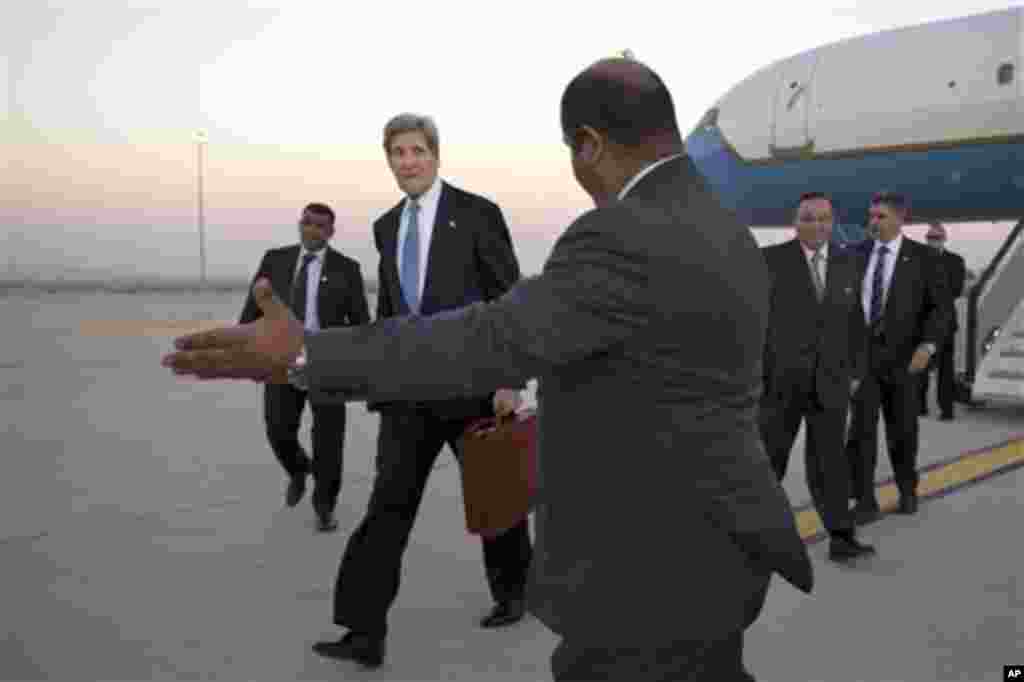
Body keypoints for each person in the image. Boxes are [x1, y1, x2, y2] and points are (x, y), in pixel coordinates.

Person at [163, 58, 814, 681]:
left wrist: (311, 353)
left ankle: (509, 590)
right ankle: (365, 624)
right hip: (722, 545)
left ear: (587, 145)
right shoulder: (724, 229)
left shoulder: (621, 231)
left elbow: (497, 331)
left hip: (642, 567)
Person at [318, 113, 532, 667]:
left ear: (436, 156)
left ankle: (514, 590)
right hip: (410, 393)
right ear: (388, 160)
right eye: (398, 153)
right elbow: (391, 309)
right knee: (387, 507)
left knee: (495, 497)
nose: (408, 162)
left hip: (472, 387)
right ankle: (363, 629)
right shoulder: (387, 226)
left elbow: (509, 299)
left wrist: (510, 378)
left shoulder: (477, 214)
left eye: (417, 151)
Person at [238, 202, 371, 532]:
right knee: (278, 430)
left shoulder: (347, 269)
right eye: (307, 223)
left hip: (328, 362)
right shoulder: (275, 260)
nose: (312, 230)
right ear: (300, 224)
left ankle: (324, 507)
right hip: (282, 359)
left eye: (320, 226)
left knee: (329, 439)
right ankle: (298, 469)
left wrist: (361, 367)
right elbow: (254, 306)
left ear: (331, 232)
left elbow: (361, 324)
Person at [759, 192, 874, 561]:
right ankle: (752, 535)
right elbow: (754, 320)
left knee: (830, 462)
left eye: (824, 218)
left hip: (831, 381)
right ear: (795, 221)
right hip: (781, 382)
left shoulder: (846, 261)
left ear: (832, 220)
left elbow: (855, 320)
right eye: (809, 218)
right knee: (768, 460)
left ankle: (841, 536)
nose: (817, 225)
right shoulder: (771, 260)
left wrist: (855, 371)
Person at [846, 193, 952, 521]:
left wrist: (928, 346)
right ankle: (864, 499)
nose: (873, 222)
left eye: (880, 216)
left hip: (904, 361)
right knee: (860, 433)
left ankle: (907, 491)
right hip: (861, 361)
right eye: (871, 216)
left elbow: (941, 309)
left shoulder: (923, 258)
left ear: (899, 219)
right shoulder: (854, 254)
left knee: (902, 430)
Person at [918, 222, 966, 420]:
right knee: (920, 367)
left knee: (945, 369)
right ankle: (919, 406)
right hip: (921, 323)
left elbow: (956, 289)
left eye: (936, 237)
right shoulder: (917, 260)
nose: (933, 241)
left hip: (945, 322)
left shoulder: (955, 261)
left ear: (944, 239)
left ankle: (947, 409)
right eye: (930, 237)